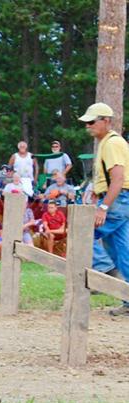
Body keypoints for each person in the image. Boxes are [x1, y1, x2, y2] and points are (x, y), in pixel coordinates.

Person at [78, 102, 129, 316]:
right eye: (86, 122)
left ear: (106, 121)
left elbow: (118, 179)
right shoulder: (107, 143)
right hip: (121, 200)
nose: (88, 126)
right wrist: (95, 191)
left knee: (82, 233)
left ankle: (103, 270)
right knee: (121, 251)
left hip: (117, 200)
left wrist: (104, 207)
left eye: (92, 121)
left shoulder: (112, 143)